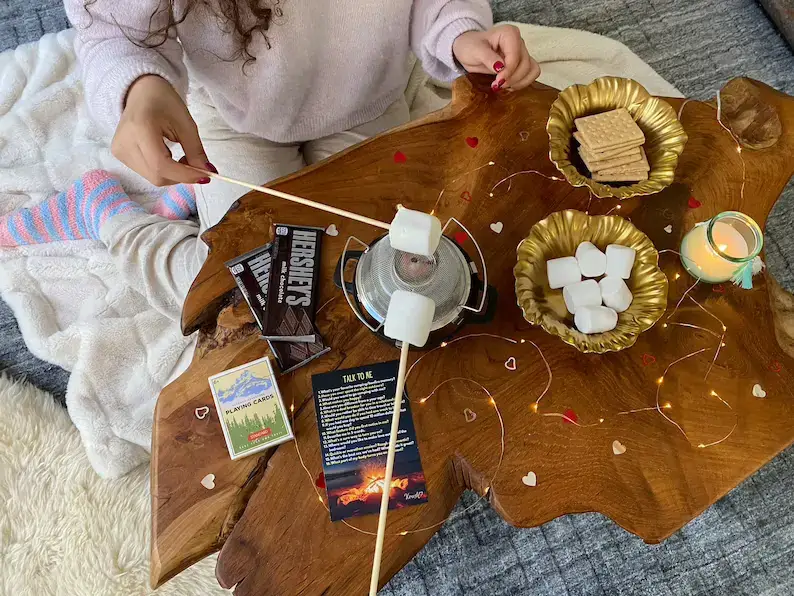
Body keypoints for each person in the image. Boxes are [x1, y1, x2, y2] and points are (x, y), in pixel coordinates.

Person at [2, 1, 540, 321]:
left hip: (367, 98)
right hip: (232, 117)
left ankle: (196, 191)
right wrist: (139, 89)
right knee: (254, 306)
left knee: (378, 283)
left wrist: (461, 34)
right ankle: (106, 214)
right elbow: (114, 27)